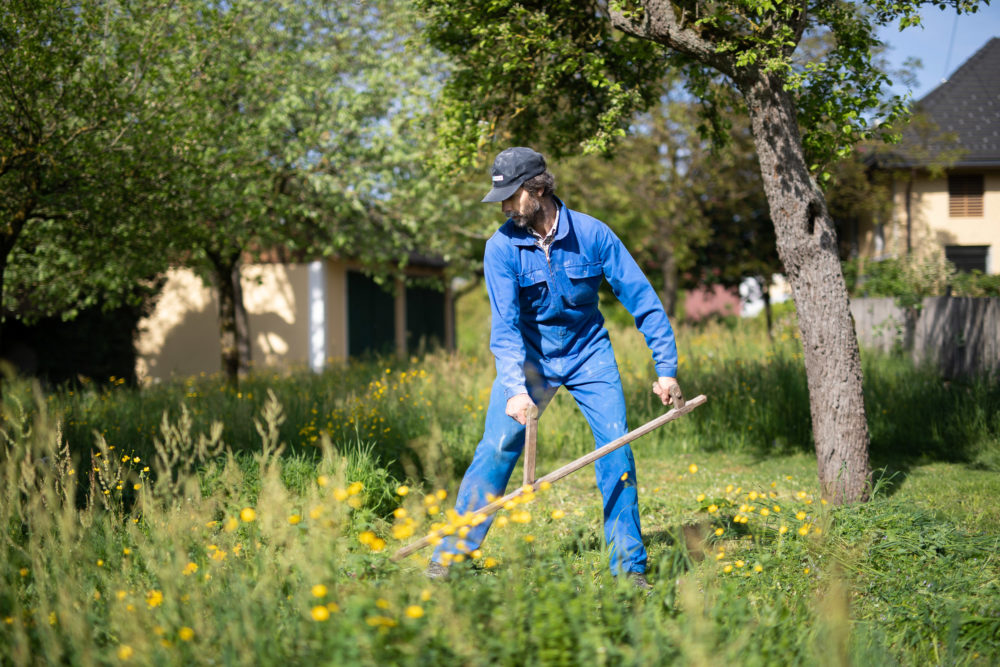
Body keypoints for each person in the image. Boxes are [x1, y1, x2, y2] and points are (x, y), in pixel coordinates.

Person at [427, 147, 683, 589]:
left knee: (615, 451)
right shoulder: (501, 248)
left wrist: (667, 367)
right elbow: (504, 328)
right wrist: (514, 388)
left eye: (512, 196)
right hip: (530, 358)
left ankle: (630, 569)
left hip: (590, 354)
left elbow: (643, 300)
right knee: (496, 449)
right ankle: (449, 556)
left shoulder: (593, 234)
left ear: (539, 189)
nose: (505, 206)